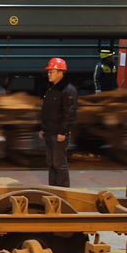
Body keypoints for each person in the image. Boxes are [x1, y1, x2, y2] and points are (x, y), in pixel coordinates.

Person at [39, 57, 77, 187]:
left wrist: (63, 132)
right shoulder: (52, 89)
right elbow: (47, 111)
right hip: (49, 132)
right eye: (48, 71)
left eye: (52, 71)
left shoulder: (68, 90)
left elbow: (70, 113)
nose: (49, 74)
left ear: (61, 73)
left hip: (58, 134)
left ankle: (63, 191)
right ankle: (53, 189)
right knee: (51, 163)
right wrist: (43, 129)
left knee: (59, 164)